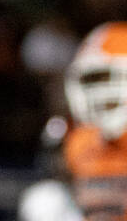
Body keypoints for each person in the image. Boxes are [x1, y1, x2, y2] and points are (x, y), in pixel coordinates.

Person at [19, 22, 127, 221]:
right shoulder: (72, 136)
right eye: (91, 80)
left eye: (106, 77)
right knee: (44, 200)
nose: (99, 90)